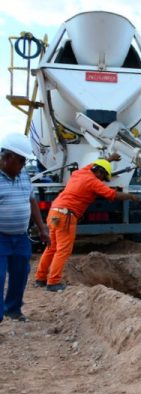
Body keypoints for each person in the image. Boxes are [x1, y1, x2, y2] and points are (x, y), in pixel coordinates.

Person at [34, 153, 140, 292]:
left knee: (51, 247)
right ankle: (53, 282)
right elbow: (112, 195)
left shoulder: (80, 173)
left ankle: (40, 279)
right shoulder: (93, 182)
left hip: (54, 212)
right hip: (66, 216)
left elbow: (96, 163)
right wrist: (131, 196)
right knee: (63, 250)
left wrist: (110, 159)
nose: (103, 180)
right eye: (104, 176)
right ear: (100, 172)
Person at [1, 134, 50, 321]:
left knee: (21, 274)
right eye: (20, 161)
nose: (23, 165)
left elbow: (31, 200)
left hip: (20, 237)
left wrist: (42, 228)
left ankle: (13, 309)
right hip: (1, 238)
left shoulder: (23, 175)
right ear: (7, 158)